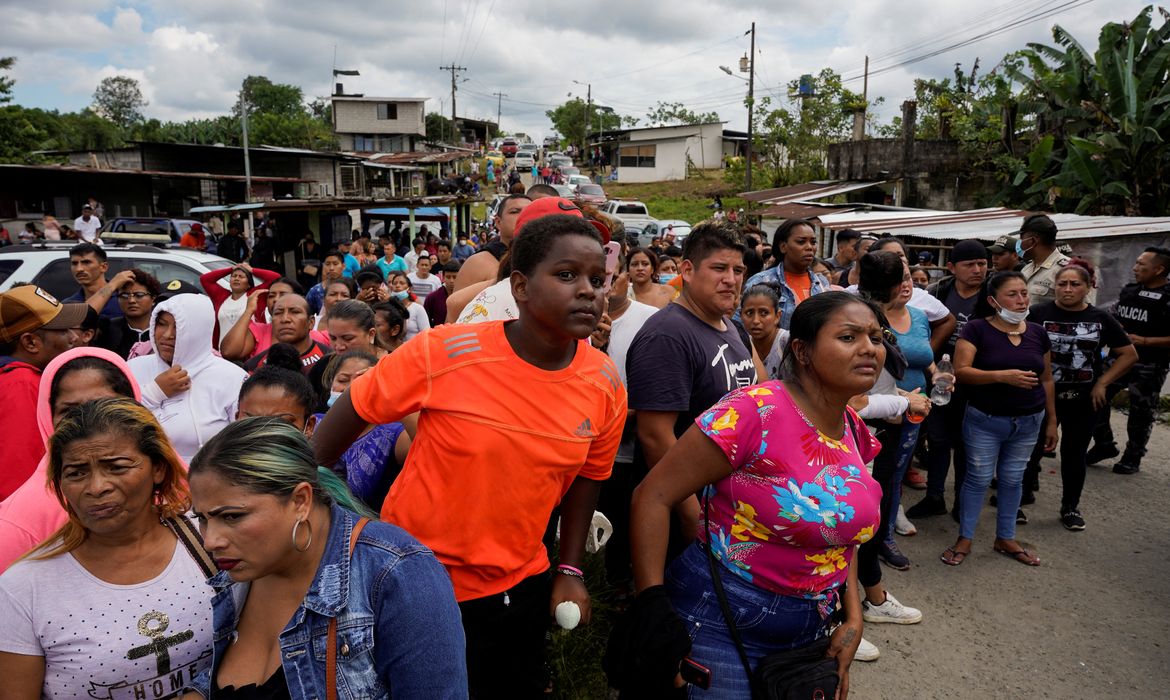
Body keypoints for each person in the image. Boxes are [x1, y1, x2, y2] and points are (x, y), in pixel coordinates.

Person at [311, 213, 625, 698]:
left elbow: (588, 478)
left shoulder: (603, 382)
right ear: (520, 286)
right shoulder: (444, 351)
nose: (588, 291)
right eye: (566, 275)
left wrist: (569, 570)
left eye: (597, 280)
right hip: (415, 581)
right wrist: (310, 495)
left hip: (521, 585)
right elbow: (351, 411)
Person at [628, 292, 884, 697]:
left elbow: (842, 533)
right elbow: (652, 496)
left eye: (876, 336)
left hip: (810, 629)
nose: (870, 348)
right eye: (849, 337)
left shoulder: (852, 429)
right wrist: (652, 610)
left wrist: (853, 618)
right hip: (720, 618)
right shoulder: (753, 412)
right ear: (802, 350)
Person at [185, 418, 466, 699]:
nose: (211, 541)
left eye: (232, 516)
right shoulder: (240, 574)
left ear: (300, 501)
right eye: (202, 518)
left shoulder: (396, 571)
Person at [0, 398, 213, 698]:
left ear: (159, 470)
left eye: (117, 467)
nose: (97, 487)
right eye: (76, 473)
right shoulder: (23, 589)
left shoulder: (209, 543)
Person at [625, 221, 759, 564]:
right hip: (684, 511)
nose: (731, 278)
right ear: (687, 269)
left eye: (738, 270)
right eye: (719, 268)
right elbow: (655, 436)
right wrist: (692, 513)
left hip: (727, 503)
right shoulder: (668, 335)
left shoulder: (731, 327)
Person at [940, 272, 1057, 567]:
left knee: (1013, 479)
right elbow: (961, 371)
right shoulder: (976, 330)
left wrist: (1052, 421)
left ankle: (1005, 537)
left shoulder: (1037, 333)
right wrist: (1000, 376)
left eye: (1024, 293)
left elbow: (1046, 379)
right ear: (993, 301)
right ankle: (965, 537)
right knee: (977, 478)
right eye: (1012, 294)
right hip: (985, 419)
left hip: (1029, 421)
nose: (1021, 300)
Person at [0, 348, 140, 571]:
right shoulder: (20, 522)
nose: (87, 421)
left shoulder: (174, 480)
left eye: (103, 405)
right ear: (48, 417)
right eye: (69, 411)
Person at [1029, 261, 1137, 529]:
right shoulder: (1037, 313)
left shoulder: (1100, 319)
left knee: (1074, 453)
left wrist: (1102, 382)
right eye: (1062, 284)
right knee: (1030, 451)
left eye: (1075, 284)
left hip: (1084, 399)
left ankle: (1070, 507)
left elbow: (1129, 354)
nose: (1067, 289)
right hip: (1041, 395)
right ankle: (1020, 498)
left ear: (1088, 288)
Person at [857, 251, 936, 572]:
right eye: (903, 278)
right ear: (889, 288)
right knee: (861, 501)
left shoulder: (877, 321)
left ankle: (875, 551)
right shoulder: (864, 325)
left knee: (886, 487)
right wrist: (905, 402)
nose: (908, 283)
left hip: (887, 425)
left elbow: (878, 386)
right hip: (863, 432)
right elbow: (856, 401)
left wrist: (902, 395)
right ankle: (867, 586)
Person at [592, 251, 661, 596]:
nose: (604, 284)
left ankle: (617, 588)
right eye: (595, 277)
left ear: (627, 277)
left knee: (621, 522)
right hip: (582, 448)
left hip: (630, 450)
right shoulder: (571, 319)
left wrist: (624, 417)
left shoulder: (651, 320)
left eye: (611, 275)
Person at [912, 239, 990, 519]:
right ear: (951, 267)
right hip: (939, 379)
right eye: (970, 264)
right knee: (938, 439)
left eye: (982, 263)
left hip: (977, 381)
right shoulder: (936, 293)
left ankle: (962, 502)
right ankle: (934, 497)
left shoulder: (992, 296)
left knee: (968, 444)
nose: (978, 269)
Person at [128, 294, 247, 463]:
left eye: (179, 327)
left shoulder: (231, 377)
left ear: (199, 331)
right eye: (162, 324)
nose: (168, 335)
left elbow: (245, 443)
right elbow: (114, 425)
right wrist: (154, 393)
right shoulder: (134, 367)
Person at [1088, 247, 1170, 475]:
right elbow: (1116, 317)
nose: (1135, 268)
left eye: (1141, 264)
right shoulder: (1130, 291)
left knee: (1141, 412)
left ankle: (1132, 457)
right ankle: (1104, 444)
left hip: (1150, 364)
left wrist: (1145, 340)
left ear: (1159, 269)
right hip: (1118, 359)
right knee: (1093, 395)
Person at [0, 286, 87, 500]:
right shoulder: (21, 383)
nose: (74, 337)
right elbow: (18, 475)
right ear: (30, 342)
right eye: (63, 330)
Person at [307, 352, 411, 512]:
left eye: (362, 381)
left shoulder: (393, 434)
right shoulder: (312, 423)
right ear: (330, 383)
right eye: (342, 380)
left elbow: (428, 442)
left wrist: (391, 387)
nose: (351, 388)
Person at [742, 219, 831, 330]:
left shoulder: (821, 283)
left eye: (813, 242)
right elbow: (741, 325)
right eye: (801, 242)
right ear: (783, 246)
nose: (809, 247)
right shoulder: (761, 281)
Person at [220, 279, 330, 362]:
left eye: (283, 295)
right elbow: (228, 352)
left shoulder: (320, 341)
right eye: (271, 296)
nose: (276, 299)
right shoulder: (258, 330)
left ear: (311, 323)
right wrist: (248, 311)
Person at [455, 194, 532, 292]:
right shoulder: (477, 263)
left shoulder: (546, 259)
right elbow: (455, 306)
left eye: (528, 211)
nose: (523, 216)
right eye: (514, 212)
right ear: (498, 222)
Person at [1018, 213, 1096, 305]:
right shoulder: (1026, 269)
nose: (1019, 244)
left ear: (1033, 241)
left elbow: (1085, 307)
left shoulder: (1067, 269)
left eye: (1022, 239)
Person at [199, 262, 282, 348]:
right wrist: (230, 269)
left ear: (249, 284)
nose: (236, 279)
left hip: (250, 352)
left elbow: (275, 277)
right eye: (234, 276)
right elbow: (205, 279)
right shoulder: (221, 296)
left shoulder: (256, 295)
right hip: (224, 352)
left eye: (241, 277)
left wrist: (251, 270)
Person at [243, 295, 331, 374]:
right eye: (278, 313)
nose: (285, 319)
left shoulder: (331, 361)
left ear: (311, 322)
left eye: (295, 312)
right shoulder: (254, 366)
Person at [63, 243, 129, 319]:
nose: (79, 269)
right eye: (74, 263)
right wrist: (111, 285)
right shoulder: (68, 304)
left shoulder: (125, 299)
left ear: (104, 267)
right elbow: (83, 317)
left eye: (86, 262)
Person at [108, 268, 161, 359]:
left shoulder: (162, 330)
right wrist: (111, 286)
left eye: (139, 295)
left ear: (153, 299)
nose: (131, 300)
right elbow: (84, 317)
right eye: (124, 295)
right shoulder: (108, 329)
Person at [386, 271, 431, 341]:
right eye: (395, 283)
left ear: (409, 289)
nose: (397, 286)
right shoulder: (388, 308)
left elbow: (426, 334)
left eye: (402, 283)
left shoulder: (418, 308)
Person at [304, 249, 348, 315]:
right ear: (323, 266)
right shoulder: (315, 291)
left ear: (343, 266)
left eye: (335, 264)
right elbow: (307, 314)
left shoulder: (352, 286)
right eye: (327, 264)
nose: (331, 268)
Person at [424, 260, 460, 327]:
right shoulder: (432, 298)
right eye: (448, 277)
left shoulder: (466, 296)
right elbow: (426, 322)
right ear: (443, 278)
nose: (451, 281)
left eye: (455, 277)